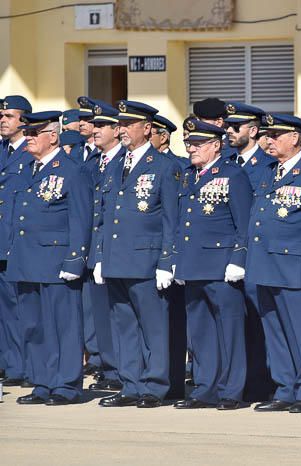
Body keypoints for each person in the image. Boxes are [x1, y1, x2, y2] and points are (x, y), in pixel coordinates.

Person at [94, 100, 180, 409]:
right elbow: (103, 216)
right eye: (120, 124)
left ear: (147, 128)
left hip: (147, 260)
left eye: (129, 124)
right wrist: (100, 256)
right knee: (124, 326)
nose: (122, 130)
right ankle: (130, 384)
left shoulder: (164, 166)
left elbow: (172, 219)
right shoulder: (115, 165)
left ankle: (154, 386)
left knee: (153, 328)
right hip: (117, 259)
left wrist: (167, 262)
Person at [246, 113, 301, 413]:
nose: (269, 141)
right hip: (265, 264)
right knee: (276, 332)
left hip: (294, 265)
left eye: (276, 135)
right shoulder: (270, 173)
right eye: (267, 136)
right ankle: (284, 388)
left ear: (295, 138)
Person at [9, 111, 92, 405]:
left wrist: (74, 260)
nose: (28, 138)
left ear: (52, 136)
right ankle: (42, 381)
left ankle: (66, 385)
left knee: (64, 327)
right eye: (27, 133)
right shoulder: (26, 169)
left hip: (56, 261)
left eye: (34, 133)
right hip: (26, 260)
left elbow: (81, 219)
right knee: (33, 326)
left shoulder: (72, 171)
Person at [172, 119, 252, 410]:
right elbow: (183, 222)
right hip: (193, 264)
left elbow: (243, 223)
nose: (191, 149)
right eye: (189, 144)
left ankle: (231, 390)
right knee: (201, 332)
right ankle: (205, 388)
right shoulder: (188, 175)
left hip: (221, 265)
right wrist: (177, 261)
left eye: (197, 144)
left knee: (229, 330)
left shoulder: (233, 175)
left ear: (216, 145)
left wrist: (238, 259)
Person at [223, 101, 276, 400]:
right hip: (226, 255)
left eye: (235, 127)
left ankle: (261, 383)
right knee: (236, 323)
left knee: (259, 322)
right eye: (228, 126)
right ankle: (238, 383)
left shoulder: (267, 165)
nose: (228, 132)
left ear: (253, 131)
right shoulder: (227, 162)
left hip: (257, 254)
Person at [83, 100, 125, 393]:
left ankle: (124, 369)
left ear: (116, 129)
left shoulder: (126, 160)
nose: (95, 130)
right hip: (94, 250)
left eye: (101, 126)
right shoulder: (90, 163)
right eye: (94, 125)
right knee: (100, 314)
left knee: (119, 315)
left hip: (119, 250)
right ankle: (110, 367)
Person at [0, 95, 33, 388]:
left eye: (8, 115)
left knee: (19, 309)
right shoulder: (2, 150)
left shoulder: (32, 154)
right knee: (4, 311)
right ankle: (8, 364)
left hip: (16, 243)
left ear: (24, 120)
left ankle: (22, 366)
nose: (2, 120)